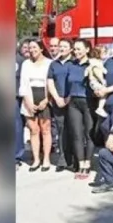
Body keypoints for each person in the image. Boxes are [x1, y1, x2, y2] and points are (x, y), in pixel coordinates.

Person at [18, 39, 53, 172]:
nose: (32, 50)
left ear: (41, 49)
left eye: (34, 47)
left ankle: (46, 159)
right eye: (30, 48)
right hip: (29, 97)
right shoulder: (26, 64)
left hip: (44, 97)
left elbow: (51, 84)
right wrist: (28, 102)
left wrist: (46, 100)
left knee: (45, 129)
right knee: (33, 130)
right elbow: (23, 84)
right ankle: (36, 159)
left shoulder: (49, 63)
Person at [65, 39, 97, 179]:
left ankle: (88, 164)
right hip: (74, 103)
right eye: (75, 49)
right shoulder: (71, 65)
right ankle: (80, 163)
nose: (76, 52)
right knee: (76, 134)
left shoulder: (93, 64)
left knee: (89, 134)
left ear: (87, 50)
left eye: (79, 49)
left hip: (88, 101)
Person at [46, 38, 74, 172]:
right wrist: (57, 98)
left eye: (64, 46)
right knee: (61, 130)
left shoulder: (74, 63)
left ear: (70, 49)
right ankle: (63, 159)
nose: (61, 48)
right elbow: (50, 82)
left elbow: (76, 82)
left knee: (74, 130)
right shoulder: (54, 64)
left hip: (72, 102)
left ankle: (75, 159)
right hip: (58, 102)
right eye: (60, 46)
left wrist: (68, 98)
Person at [86, 46, 109, 118]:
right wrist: (103, 80)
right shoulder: (98, 63)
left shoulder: (91, 61)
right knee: (104, 92)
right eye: (104, 53)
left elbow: (87, 71)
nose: (106, 55)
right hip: (96, 82)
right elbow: (97, 71)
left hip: (92, 82)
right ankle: (100, 108)